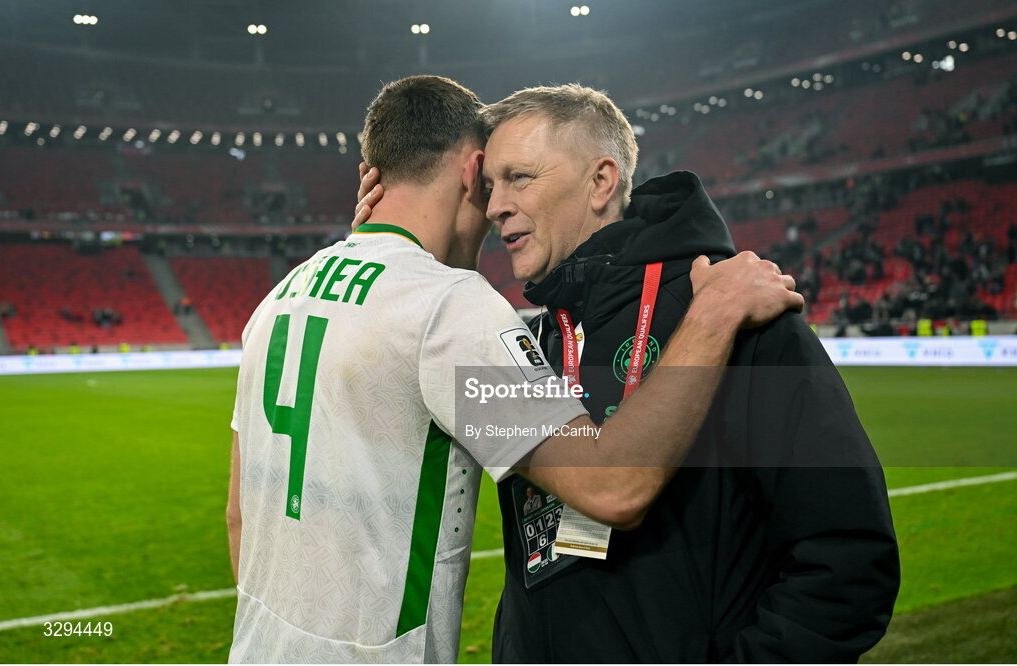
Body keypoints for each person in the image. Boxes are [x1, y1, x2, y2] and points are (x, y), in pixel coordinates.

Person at [227, 76, 800, 664]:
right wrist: (711, 315)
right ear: (473, 170)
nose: (500, 204)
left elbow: (239, 517)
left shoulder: (281, 297)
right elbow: (611, 486)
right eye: (497, 179)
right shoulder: (449, 309)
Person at [356, 83, 899, 662]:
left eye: (520, 178)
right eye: (489, 187)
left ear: (601, 181)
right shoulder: (526, 345)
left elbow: (848, 558)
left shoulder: (743, 322)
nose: (494, 207)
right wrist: (386, 248)